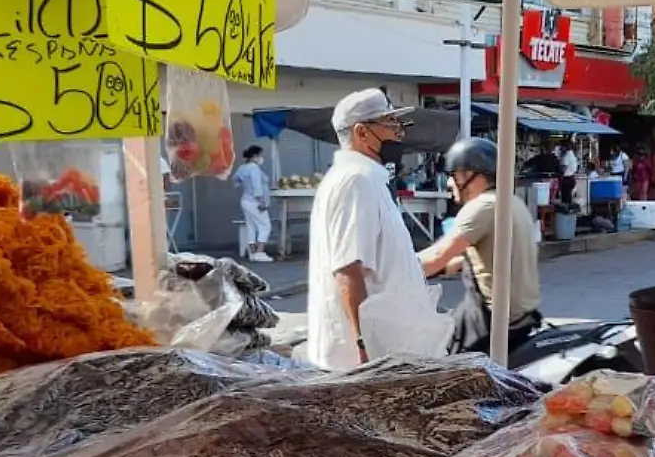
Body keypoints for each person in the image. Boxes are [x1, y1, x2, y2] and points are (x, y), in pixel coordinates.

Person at [305, 89, 431, 371]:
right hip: (364, 360)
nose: (399, 135)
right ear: (362, 133)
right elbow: (348, 270)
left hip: (386, 350)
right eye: (390, 125)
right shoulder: (355, 182)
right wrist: (364, 345)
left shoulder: (368, 179)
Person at [418, 137, 543, 355]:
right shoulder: (511, 202)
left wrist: (391, 269)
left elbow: (436, 256)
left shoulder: (482, 207)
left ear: (472, 175)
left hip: (494, 320)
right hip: (521, 316)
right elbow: (477, 259)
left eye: (453, 175)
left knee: (437, 360)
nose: (449, 183)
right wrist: (448, 267)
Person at [233, 145, 274, 263]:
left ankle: (252, 252)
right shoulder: (254, 168)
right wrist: (262, 201)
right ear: (255, 156)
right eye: (260, 155)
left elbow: (235, 181)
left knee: (251, 226)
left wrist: (244, 185)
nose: (262, 158)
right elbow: (257, 186)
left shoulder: (243, 168)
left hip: (245, 200)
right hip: (255, 201)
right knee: (265, 226)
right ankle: (260, 252)